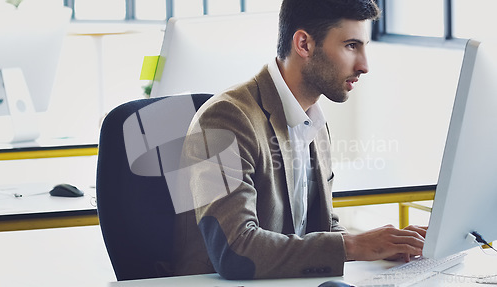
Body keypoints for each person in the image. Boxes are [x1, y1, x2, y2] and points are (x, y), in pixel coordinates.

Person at [172, 0, 427, 280]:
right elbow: (236, 250)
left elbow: (320, 227)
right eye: (351, 46)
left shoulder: (314, 122)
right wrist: (355, 245)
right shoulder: (226, 118)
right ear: (304, 44)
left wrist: (384, 245)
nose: (364, 65)